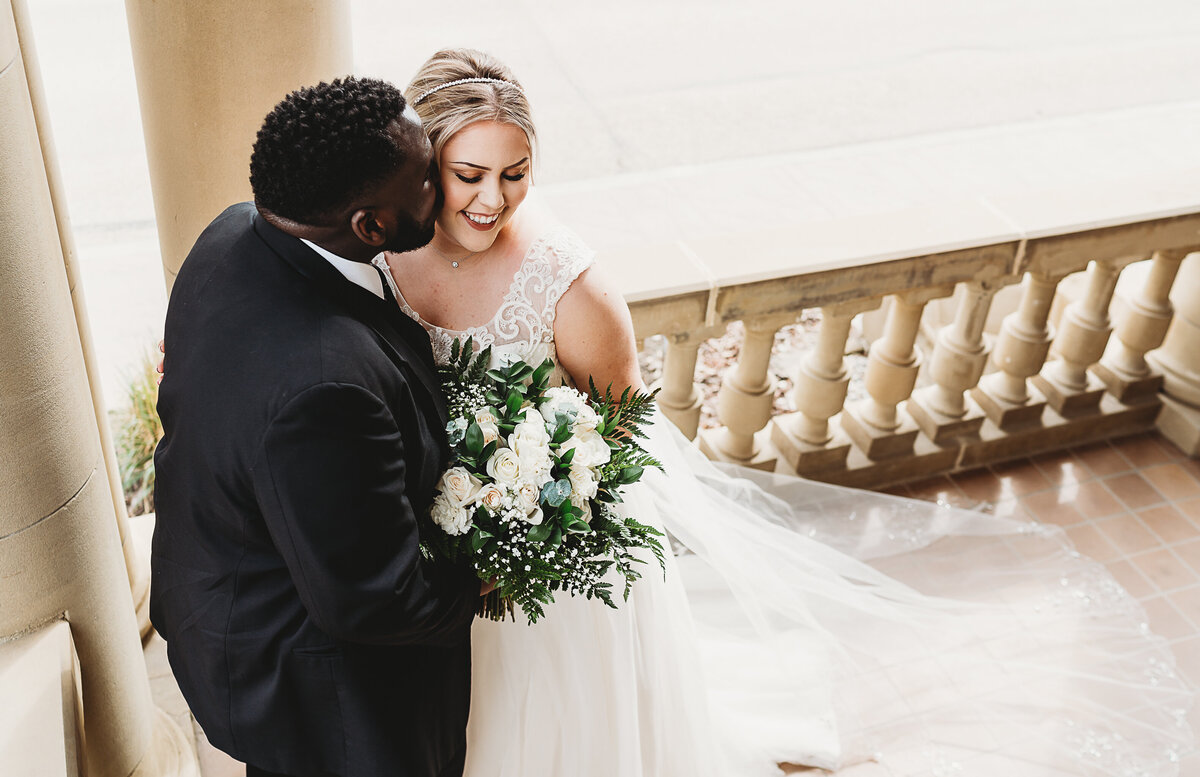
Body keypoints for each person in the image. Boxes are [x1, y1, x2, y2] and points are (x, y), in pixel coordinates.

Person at [379, 49, 1195, 776]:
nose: (494, 199)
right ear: (425, 166)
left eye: (515, 173)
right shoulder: (382, 255)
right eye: (470, 174)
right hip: (439, 540)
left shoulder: (568, 284)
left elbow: (623, 427)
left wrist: (534, 520)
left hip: (553, 555)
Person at [152, 77, 486, 777]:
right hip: (322, 689)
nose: (445, 184)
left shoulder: (232, 232)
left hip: (230, 582)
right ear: (370, 227)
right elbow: (376, 598)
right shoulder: (327, 385)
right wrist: (486, 578)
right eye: (427, 179)